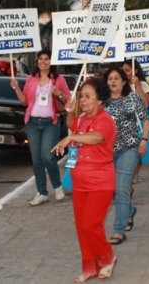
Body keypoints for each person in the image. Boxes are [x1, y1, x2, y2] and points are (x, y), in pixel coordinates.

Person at [52, 78, 117, 283]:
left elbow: (97, 137)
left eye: (88, 96)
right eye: (82, 96)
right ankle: (89, 266)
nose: (84, 99)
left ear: (100, 100)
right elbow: (72, 124)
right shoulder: (82, 118)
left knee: (90, 225)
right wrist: (70, 111)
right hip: (80, 182)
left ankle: (108, 257)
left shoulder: (105, 119)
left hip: (100, 182)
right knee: (81, 227)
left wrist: (71, 138)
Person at [11, 49, 71, 206]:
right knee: (36, 159)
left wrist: (58, 93)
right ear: (37, 61)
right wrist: (16, 87)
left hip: (50, 123)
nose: (43, 62)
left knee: (47, 155)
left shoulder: (59, 79)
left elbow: (68, 102)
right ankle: (42, 192)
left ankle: (57, 186)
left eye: (46, 59)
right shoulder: (31, 79)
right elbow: (24, 101)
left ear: (51, 62)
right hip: (32, 123)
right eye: (40, 59)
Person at [104, 67, 149, 245]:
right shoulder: (103, 102)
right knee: (113, 190)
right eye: (110, 79)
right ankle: (129, 211)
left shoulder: (132, 98)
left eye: (117, 78)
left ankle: (118, 230)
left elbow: (146, 119)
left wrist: (144, 140)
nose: (113, 81)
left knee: (122, 188)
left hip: (129, 149)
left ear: (124, 81)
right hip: (107, 152)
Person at [122, 59, 149, 184]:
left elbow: (146, 103)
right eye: (123, 70)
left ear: (135, 70)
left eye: (127, 70)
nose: (124, 73)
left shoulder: (143, 85)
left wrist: (138, 86)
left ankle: (133, 174)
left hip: (140, 125)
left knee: (138, 154)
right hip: (124, 125)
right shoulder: (122, 85)